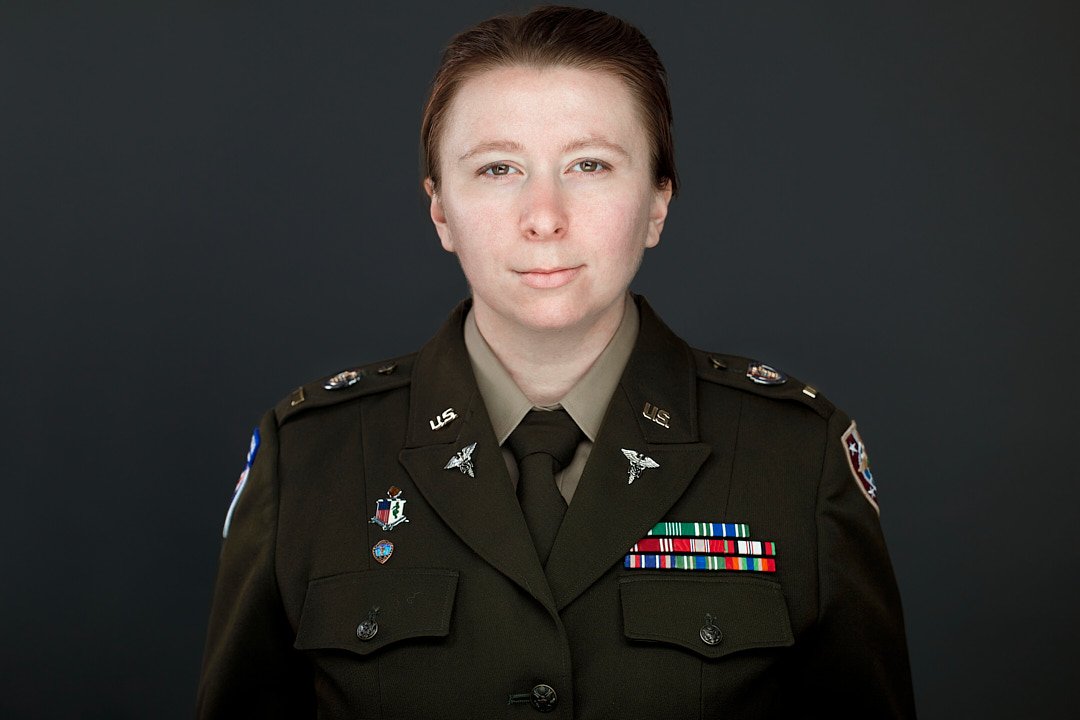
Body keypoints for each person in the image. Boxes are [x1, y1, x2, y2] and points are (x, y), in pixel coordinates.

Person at [197, 6, 916, 718]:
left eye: (590, 164)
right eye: (498, 168)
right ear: (440, 209)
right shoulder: (311, 459)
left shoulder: (794, 456)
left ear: (658, 202)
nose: (544, 216)